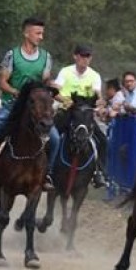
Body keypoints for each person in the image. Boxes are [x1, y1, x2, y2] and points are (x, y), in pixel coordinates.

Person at [0, 16, 60, 189]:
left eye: (42, 34)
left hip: (36, 108)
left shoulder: (46, 57)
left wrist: (55, 89)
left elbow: (45, 79)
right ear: (26, 33)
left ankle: (48, 175)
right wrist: (17, 92)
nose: (41, 37)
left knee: (55, 138)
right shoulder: (12, 55)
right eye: (38, 33)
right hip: (13, 105)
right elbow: (3, 82)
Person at [51, 43, 108, 189]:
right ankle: (46, 170)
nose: (85, 59)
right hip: (67, 111)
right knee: (50, 137)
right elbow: (55, 91)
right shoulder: (65, 72)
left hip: (84, 114)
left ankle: (99, 173)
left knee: (102, 140)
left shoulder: (94, 75)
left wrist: (100, 103)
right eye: (82, 56)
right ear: (75, 56)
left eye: (88, 56)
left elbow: (98, 95)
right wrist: (65, 100)